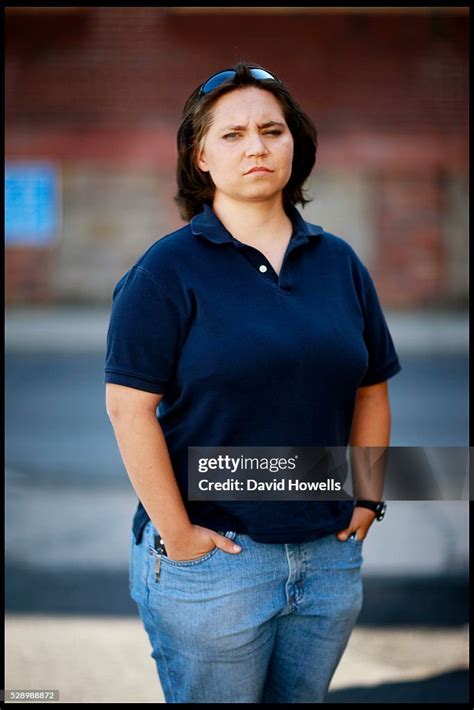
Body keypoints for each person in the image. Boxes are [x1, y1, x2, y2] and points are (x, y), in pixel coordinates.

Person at [104, 62, 402, 703]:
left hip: (327, 556)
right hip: (217, 561)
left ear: (297, 145)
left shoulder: (339, 263)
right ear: (200, 156)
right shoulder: (166, 270)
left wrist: (368, 497)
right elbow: (128, 412)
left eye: (272, 130)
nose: (257, 146)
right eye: (232, 134)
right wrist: (180, 538)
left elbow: (371, 390)